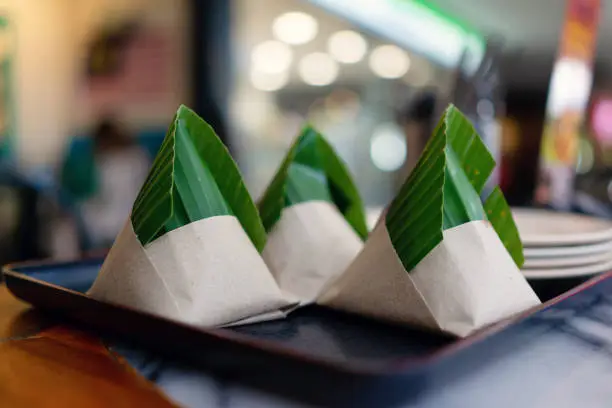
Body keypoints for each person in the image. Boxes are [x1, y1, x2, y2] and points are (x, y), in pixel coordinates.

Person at [78, 117, 151, 248]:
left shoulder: (106, 161)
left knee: (84, 209)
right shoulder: (140, 155)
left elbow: (105, 195)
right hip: (139, 220)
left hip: (113, 226)